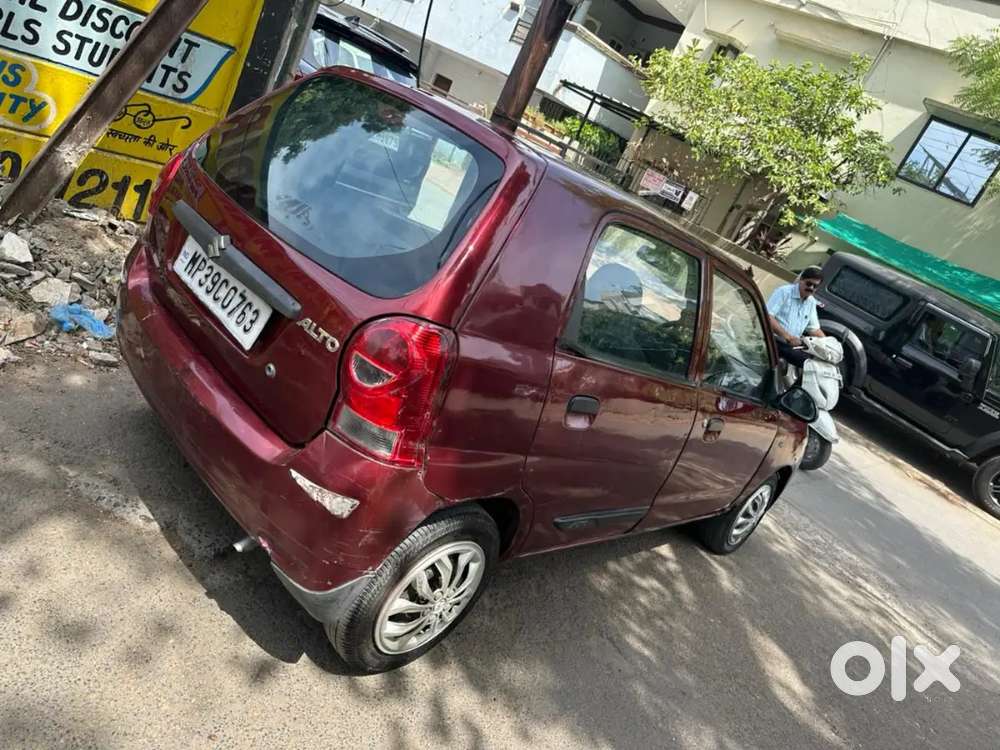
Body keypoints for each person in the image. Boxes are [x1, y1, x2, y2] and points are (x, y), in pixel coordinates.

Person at [768, 266, 826, 368]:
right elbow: (768, 317)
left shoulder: (811, 302)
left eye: (815, 286)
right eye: (809, 284)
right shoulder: (784, 292)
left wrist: (829, 344)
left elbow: (814, 330)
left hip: (791, 346)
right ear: (801, 280)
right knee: (810, 365)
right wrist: (788, 337)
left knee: (821, 364)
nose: (811, 288)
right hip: (775, 340)